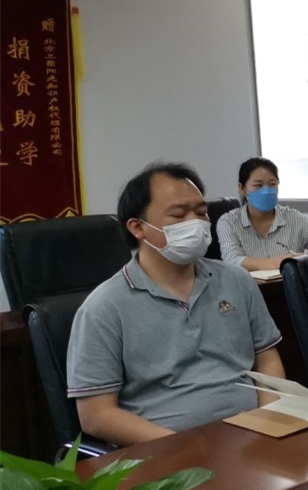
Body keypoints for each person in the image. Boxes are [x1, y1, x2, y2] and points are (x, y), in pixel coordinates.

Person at [67, 162, 286, 447]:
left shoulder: (236, 280)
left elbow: (266, 358)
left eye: (201, 212)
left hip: (252, 437)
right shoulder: (103, 307)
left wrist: (269, 421)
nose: (196, 222)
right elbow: (96, 416)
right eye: (179, 215)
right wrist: (181, 447)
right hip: (166, 452)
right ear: (138, 227)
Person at [216, 157, 308, 271]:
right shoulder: (228, 222)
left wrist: (302, 260)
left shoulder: (293, 217)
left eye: (272, 184)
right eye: (258, 185)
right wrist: (279, 262)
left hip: (287, 286)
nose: (266, 191)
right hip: (249, 287)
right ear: (242, 188)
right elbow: (232, 259)